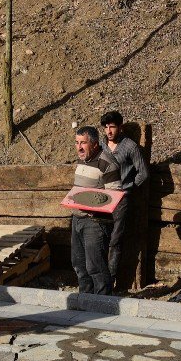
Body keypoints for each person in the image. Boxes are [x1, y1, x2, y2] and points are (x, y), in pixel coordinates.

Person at [100, 111, 149, 287]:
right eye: (106, 127)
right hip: (101, 197)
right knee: (99, 237)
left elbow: (143, 173)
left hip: (121, 199)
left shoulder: (130, 146)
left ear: (120, 127)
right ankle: (98, 279)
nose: (108, 131)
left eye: (112, 126)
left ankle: (110, 281)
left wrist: (128, 188)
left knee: (115, 240)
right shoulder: (101, 145)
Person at [71, 126, 121, 295]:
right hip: (77, 219)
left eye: (83, 143)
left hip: (95, 222)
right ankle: (85, 302)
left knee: (96, 267)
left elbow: (115, 195)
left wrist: (93, 206)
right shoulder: (82, 159)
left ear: (93, 143)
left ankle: (103, 304)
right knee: (79, 264)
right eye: (77, 143)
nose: (79, 147)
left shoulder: (107, 162)